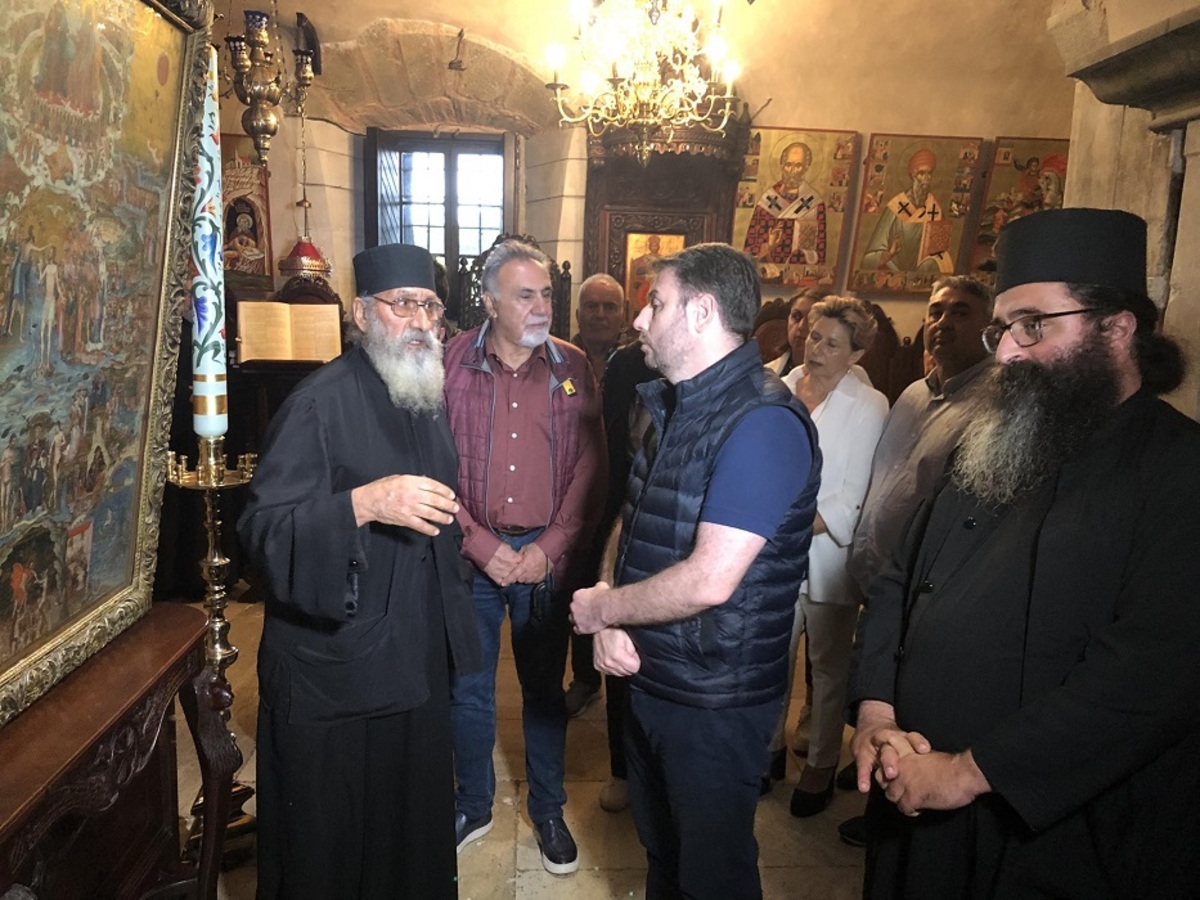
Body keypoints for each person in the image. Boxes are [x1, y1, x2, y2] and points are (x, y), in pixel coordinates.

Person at [847, 207, 1200, 897]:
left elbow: (1151, 677)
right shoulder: (992, 441)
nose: (1006, 351)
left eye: (1033, 325)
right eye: (1003, 327)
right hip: (913, 792)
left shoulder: (1179, 470)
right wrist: (876, 711)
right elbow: (899, 579)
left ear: (1116, 328)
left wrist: (967, 773)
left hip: (1059, 830)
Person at [571, 243, 821, 899]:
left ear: (702, 312)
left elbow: (711, 578)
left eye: (656, 304)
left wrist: (603, 611)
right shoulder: (677, 404)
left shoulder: (762, 422)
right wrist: (609, 597)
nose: (640, 320)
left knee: (712, 875)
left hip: (713, 698)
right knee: (663, 854)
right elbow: (630, 519)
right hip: (654, 675)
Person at [238, 243, 482, 899]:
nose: (422, 322)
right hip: (341, 676)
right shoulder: (317, 404)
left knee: (409, 836)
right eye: (404, 305)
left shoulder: (421, 396)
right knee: (337, 847)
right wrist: (363, 504)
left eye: (431, 307)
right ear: (361, 312)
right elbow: (262, 533)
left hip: (414, 657)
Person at [443, 239, 606, 875]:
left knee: (543, 689)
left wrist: (549, 548)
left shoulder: (573, 365)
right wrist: (480, 544)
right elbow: (430, 463)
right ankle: (474, 804)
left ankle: (549, 808)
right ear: (489, 302)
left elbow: (591, 466)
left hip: (543, 558)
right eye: (525, 296)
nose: (542, 307)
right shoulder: (451, 361)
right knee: (469, 688)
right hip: (471, 554)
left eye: (547, 295)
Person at [834, 274, 993, 847]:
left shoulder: (994, 403)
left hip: (924, 585)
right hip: (878, 572)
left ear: (989, 327)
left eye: (962, 312)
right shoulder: (912, 394)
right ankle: (873, 776)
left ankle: (897, 803)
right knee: (873, 686)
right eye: (936, 311)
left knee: (911, 703)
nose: (943, 322)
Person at [778, 297, 889, 818]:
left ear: (857, 354)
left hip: (826, 556)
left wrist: (778, 526)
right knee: (772, 659)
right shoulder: (778, 386)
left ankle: (821, 765)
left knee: (827, 669)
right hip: (772, 557)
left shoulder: (869, 405)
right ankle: (767, 750)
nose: (817, 348)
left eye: (833, 344)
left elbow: (851, 497)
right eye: (814, 335)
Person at [565, 272, 631, 717]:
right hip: (574, 494)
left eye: (610, 307)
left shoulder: (641, 362)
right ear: (578, 313)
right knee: (577, 587)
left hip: (626, 495)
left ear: (623, 315)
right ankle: (585, 678)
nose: (601, 315)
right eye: (592, 306)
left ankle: (625, 682)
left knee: (623, 590)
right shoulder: (559, 359)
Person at [860, 148, 953, 274]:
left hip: (921, 274)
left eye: (929, 173)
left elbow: (940, 253)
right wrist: (889, 253)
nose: (927, 178)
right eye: (921, 173)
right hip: (894, 271)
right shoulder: (895, 206)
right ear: (913, 175)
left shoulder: (935, 209)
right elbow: (869, 258)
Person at [743, 142, 827, 265]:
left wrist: (802, 254)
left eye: (798, 165)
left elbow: (820, 250)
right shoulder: (768, 200)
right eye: (788, 164)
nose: (792, 171)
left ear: (806, 168)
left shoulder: (814, 203)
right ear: (782, 165)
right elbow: (750, 249)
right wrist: (769, 245)